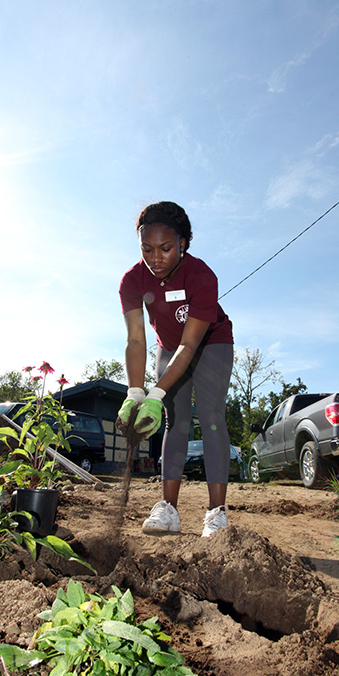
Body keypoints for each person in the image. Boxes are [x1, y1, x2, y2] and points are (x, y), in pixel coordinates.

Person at [117, 201, 234, 537]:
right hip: (168, 347)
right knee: (174, 420)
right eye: (147, 249)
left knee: (211, 417)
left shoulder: (202, 276)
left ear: (183, 243)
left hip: (210, 343)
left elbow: (190, 345)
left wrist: (156, 393)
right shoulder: (132, 281)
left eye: (165, 248)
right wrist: (135, 393)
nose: (155, 258)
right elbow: (136, 339)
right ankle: (168, 509)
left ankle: (216, 513)